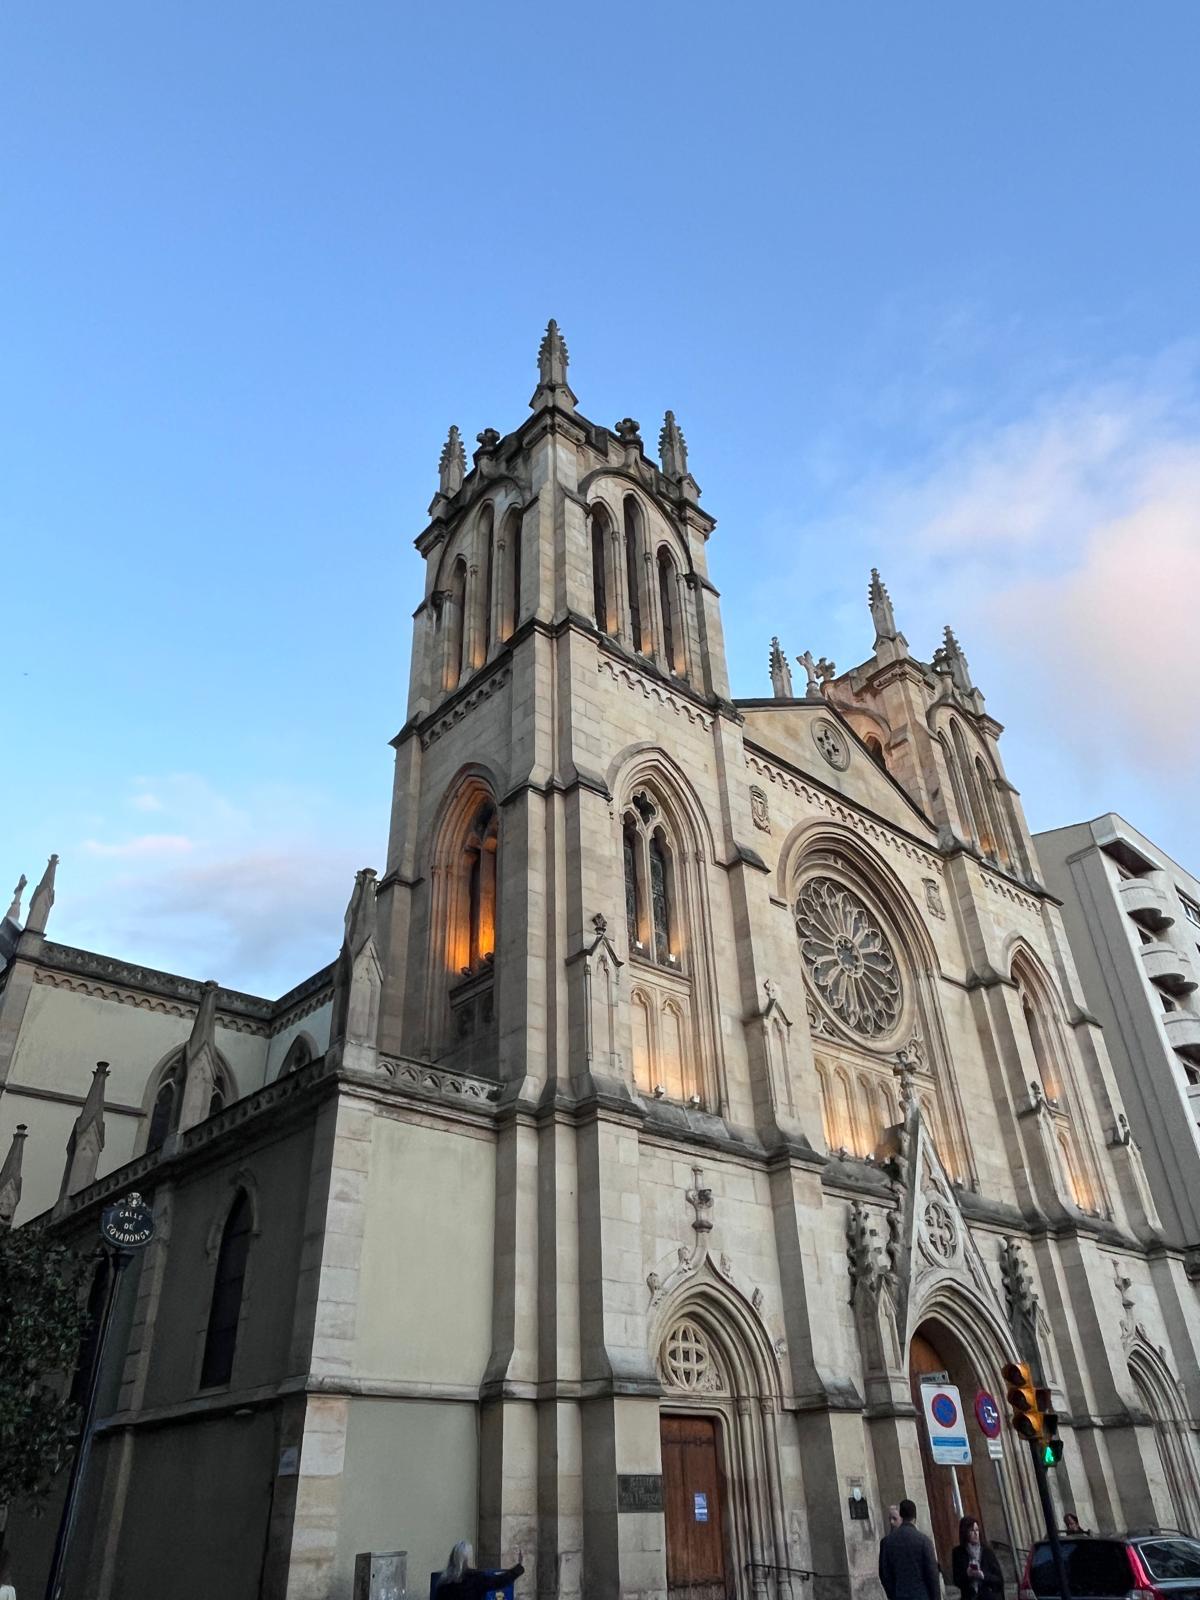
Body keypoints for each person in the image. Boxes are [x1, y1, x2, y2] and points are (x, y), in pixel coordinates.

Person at [879, 1499, 941, 1600]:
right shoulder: (924, 1541)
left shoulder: (887, 1542)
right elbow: (932, 1575)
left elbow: (884, 1574)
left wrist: (892, 1595)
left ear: (901, 1516)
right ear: (914, 1517)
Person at [435, 1540, 524, 1600]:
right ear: (468, 1559)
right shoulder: (476, 1579)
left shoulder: (443, 1581)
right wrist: (518, 1568)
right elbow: (500, 1581)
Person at [952, 1516, 1004, 1600]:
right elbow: (957, 1580)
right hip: (970, 1596)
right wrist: (968, 1574)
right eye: (972, 1531)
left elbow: (999, 1579)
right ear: (965, 1533)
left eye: (977, 1530)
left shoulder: (987, 1552)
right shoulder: (958, 1553)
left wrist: (983, 1575)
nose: (976, 1534)